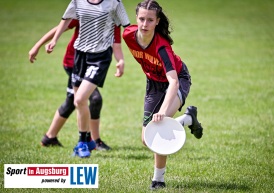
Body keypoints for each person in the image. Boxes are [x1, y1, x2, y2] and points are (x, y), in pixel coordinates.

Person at [122, 0, 204, 190]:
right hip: (154, 84)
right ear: (136, 18)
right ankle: (188, 119)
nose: (145, 24)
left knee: (159, 128)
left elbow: (174, 81)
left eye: (150, 20)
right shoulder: (128, 35)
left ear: (157, 21)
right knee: (146, 139)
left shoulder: (161, 47)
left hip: (177, 80)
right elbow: (112, 34)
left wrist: (163, 111)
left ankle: (158, 180)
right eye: (141, 19)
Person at [45, 0, 130, 158]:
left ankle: (82, 142)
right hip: (79, 56)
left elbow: (127, 28)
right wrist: (54, 40)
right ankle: (86, 141)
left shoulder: (114, 3)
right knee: (79, 102)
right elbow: (66, 21)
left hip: (100, 57)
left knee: (79, 99)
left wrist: (121, 60)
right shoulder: (77, 1)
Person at [29, 19, 125, 151]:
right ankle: (95, 141)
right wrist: (37, 46)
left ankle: (49, 137)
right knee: (94, 99)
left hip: (92, 63)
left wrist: (120, 60)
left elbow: (116, 45)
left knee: (71, 100)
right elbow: (60, 27)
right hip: (73, 62)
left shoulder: (113, 18)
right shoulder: (85, 10)